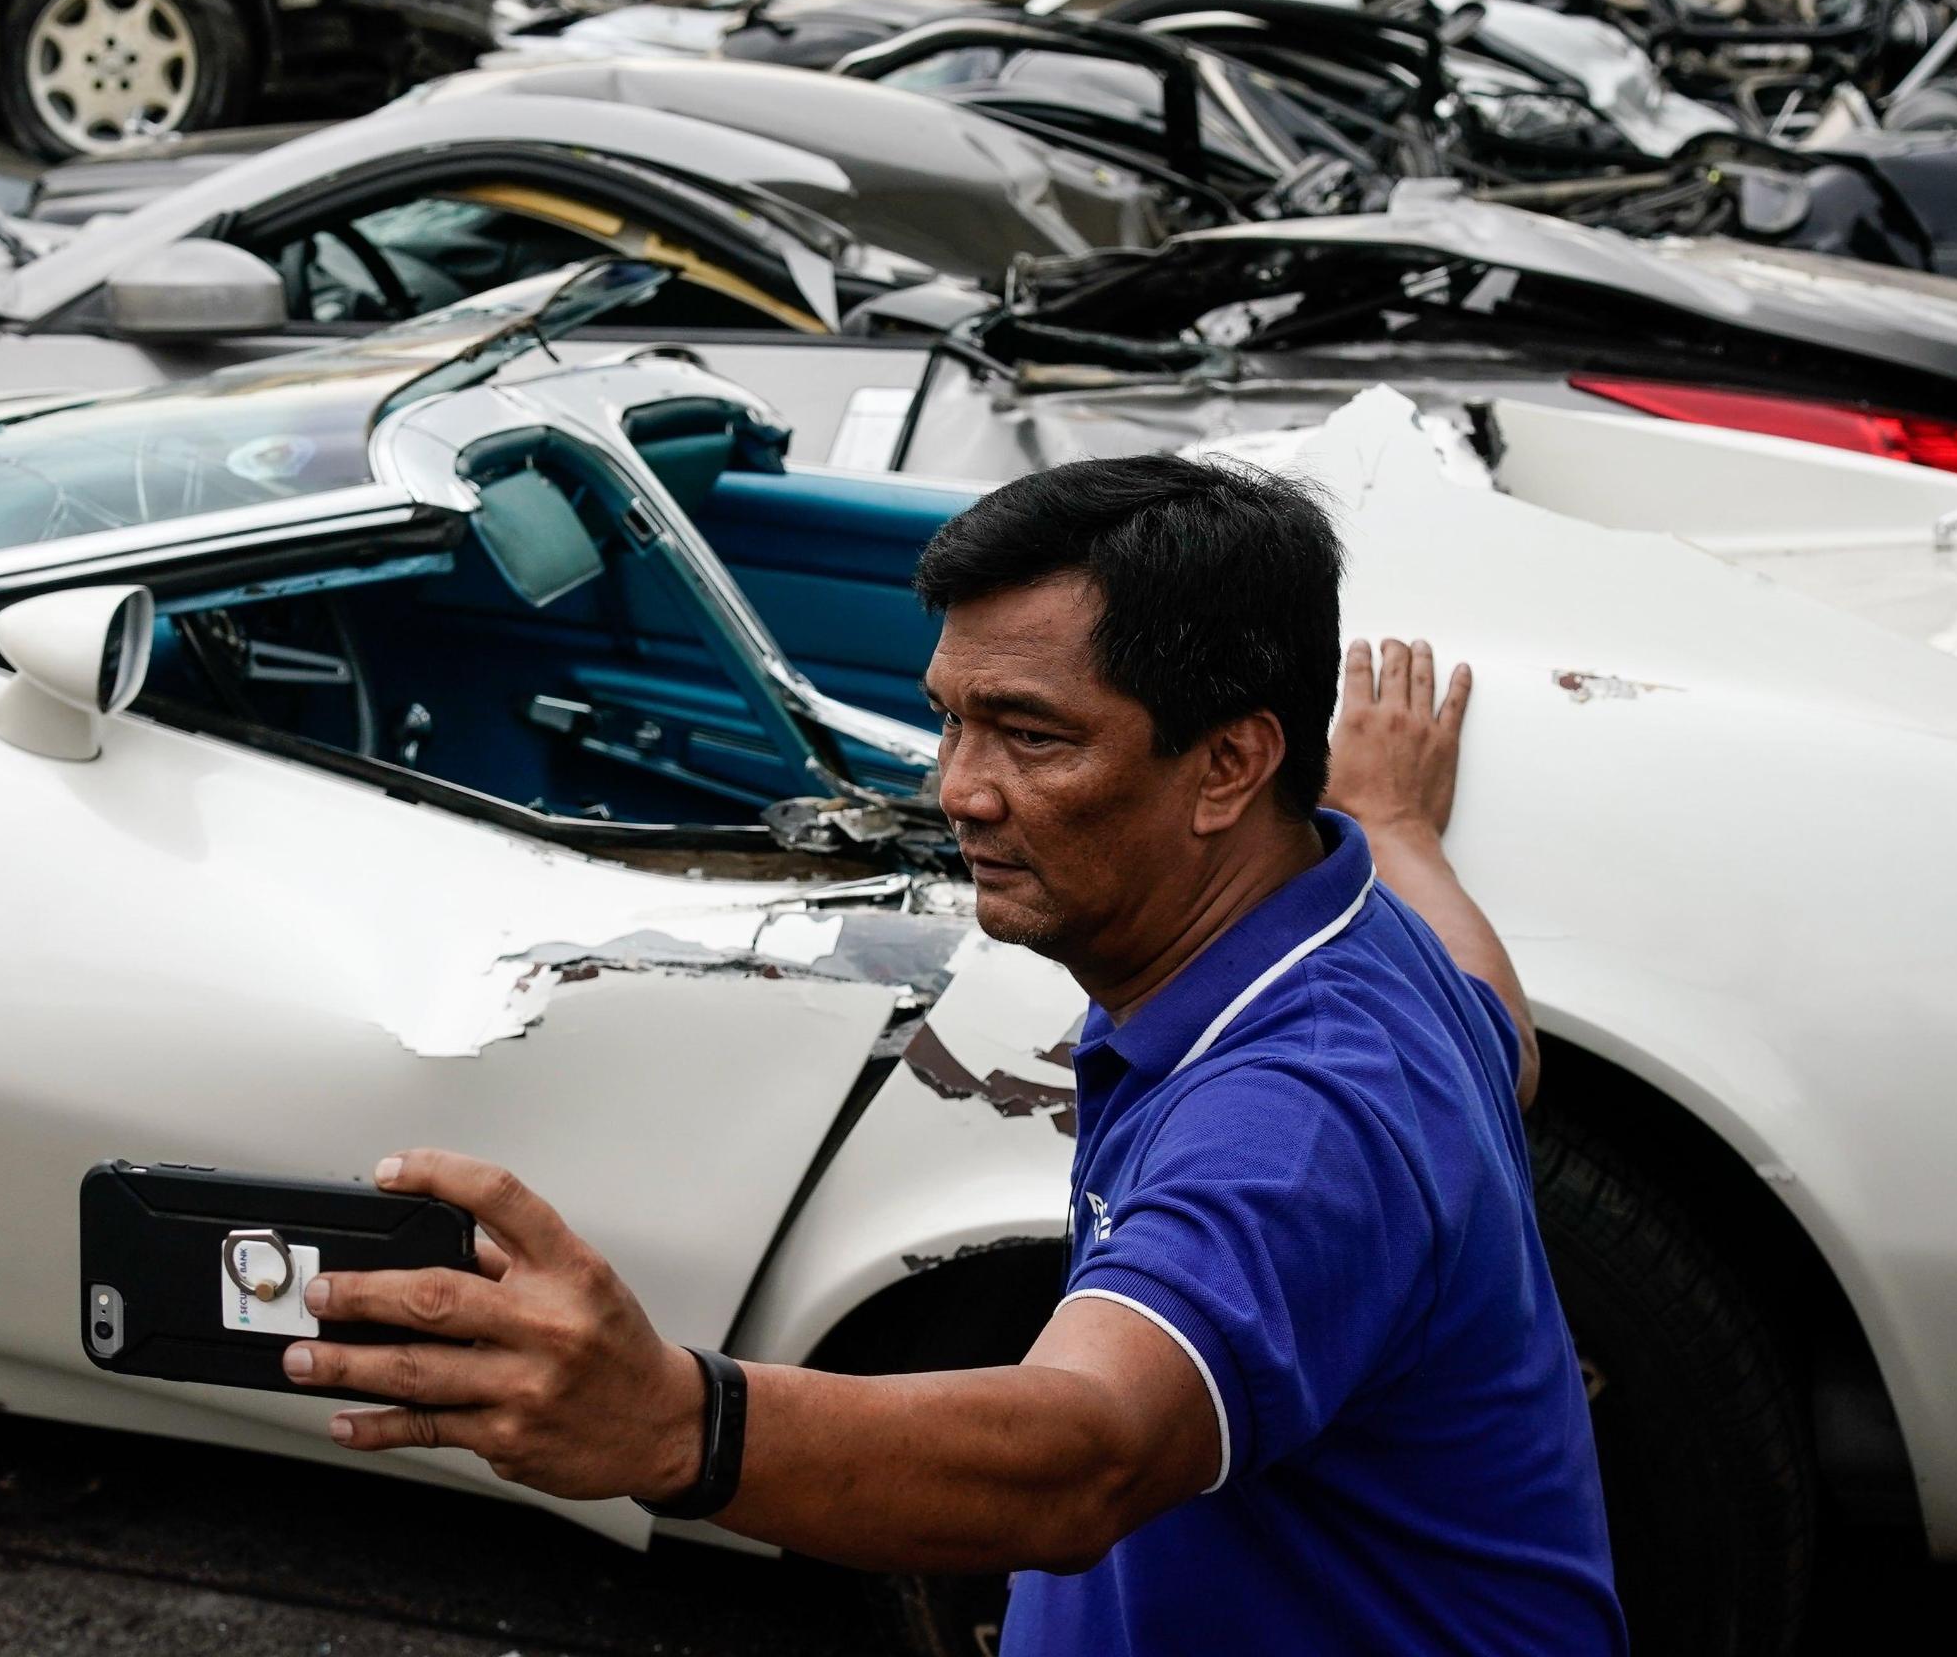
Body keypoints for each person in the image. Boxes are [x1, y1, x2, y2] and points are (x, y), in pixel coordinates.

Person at [280, 456, 1625, 1655]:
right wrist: (1396, 828)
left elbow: (1083, 1455)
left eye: (1031, 735)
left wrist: (678, 1423)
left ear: (1228, 767)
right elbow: (1499, 1035)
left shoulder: (1301, 1112)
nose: (958, 789)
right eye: (952, 718)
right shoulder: (1346, 927)